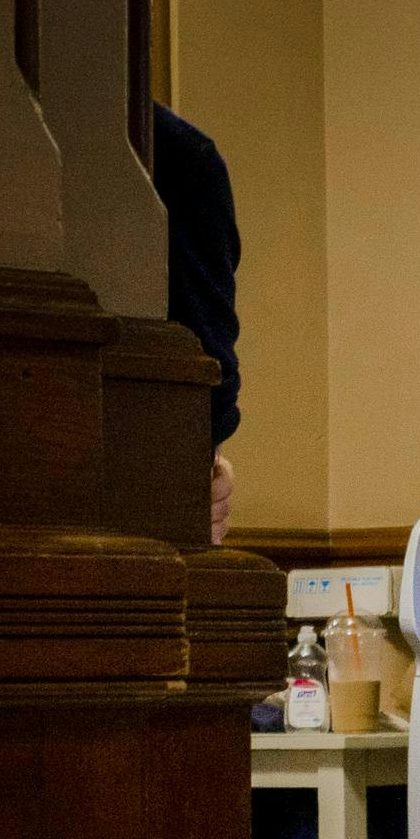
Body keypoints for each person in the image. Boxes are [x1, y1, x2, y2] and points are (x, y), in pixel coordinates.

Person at [153, 102, 240, 544]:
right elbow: (206, 355)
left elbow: (205, 362)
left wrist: (207, 454)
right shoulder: (179, 154)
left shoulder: (175, 154)